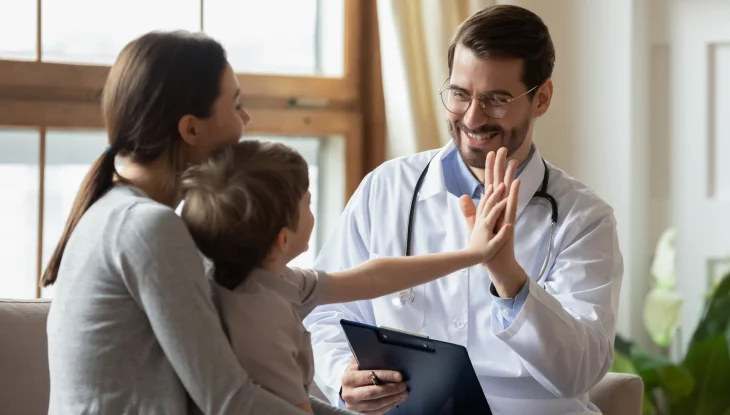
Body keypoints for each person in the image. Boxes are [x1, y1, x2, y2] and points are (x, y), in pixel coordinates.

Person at [303, 5, 624, 415]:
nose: (472, 117)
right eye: (459, 94)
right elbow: (326, 310)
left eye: (496, 99)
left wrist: (508, 278)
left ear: (541, 98)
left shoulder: (584, 219)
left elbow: (581, 370)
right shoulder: (385, 188)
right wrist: (341, 373)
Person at [41, 30, 352, 415]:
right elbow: (229, 401)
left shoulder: (116, 211)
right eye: (236, 105)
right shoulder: (147, 228)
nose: (247, 119)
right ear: (190, 128)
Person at [178, 139, 516, 414]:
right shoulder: (262, 327)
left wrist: (472, 255)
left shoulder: (275, 281)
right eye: (307, 203)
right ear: (283, 238)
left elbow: (371, 278)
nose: (313, 210)